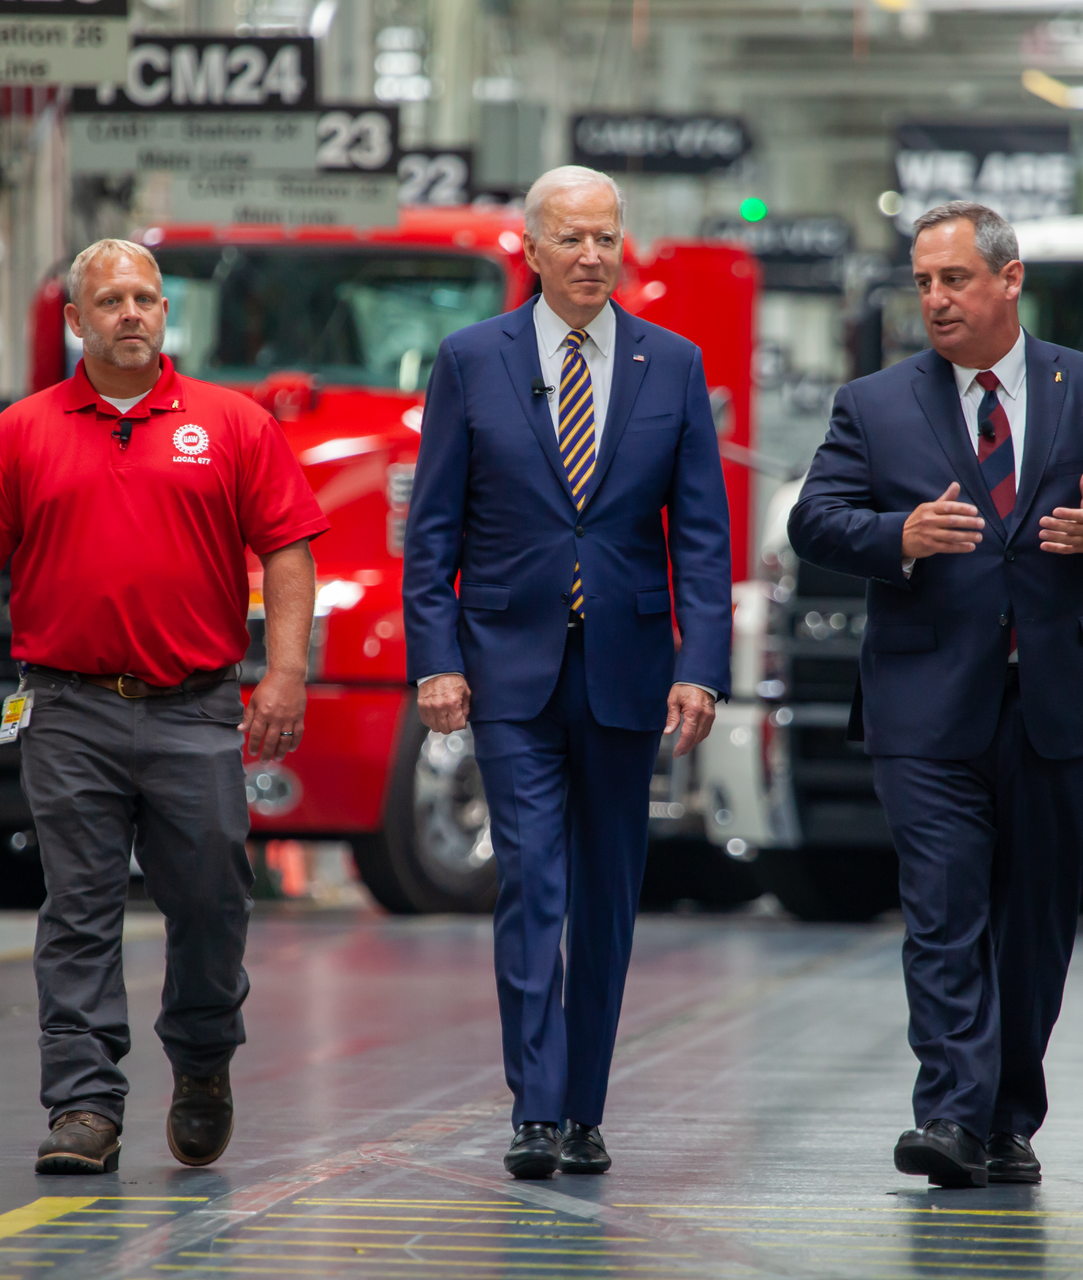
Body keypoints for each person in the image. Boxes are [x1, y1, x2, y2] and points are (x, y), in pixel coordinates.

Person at [789, 201, 1083, 1188]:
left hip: (1056, 705)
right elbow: (815, 519)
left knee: (1035, 924)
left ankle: (1009, 1118)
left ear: (1009, 280)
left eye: (954, 279)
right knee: (943, 912)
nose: (934, 299)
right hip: (925, 707)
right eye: (923, 281)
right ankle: (951, 1115)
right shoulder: (874, 405)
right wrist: (896, 536)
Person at [0, 239, 328, 1175]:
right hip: (68, 710)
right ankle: (83, 1103)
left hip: (196, 708)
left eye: (146, 297)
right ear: (77, 321)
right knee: (78, 907)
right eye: (111, 301)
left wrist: (285, 672)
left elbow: (288, 552)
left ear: (165, 312)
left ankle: (202, 1059)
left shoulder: (232, 425)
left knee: (212, 898)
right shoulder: (16, 435)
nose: (132, 313)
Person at [403, 166, 732, 1179]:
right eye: (572, 238)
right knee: (533, 881)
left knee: (606, 897)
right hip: (510, 670)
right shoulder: (472, 361)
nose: (592, 256)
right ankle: (537, 1109)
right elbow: (432, 532)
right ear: (534, 250)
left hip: (628, 669)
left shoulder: (673, 365)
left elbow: (703, 537)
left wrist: (701, 667)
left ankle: (585, 1107)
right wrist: (436, 660)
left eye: (606, 238)